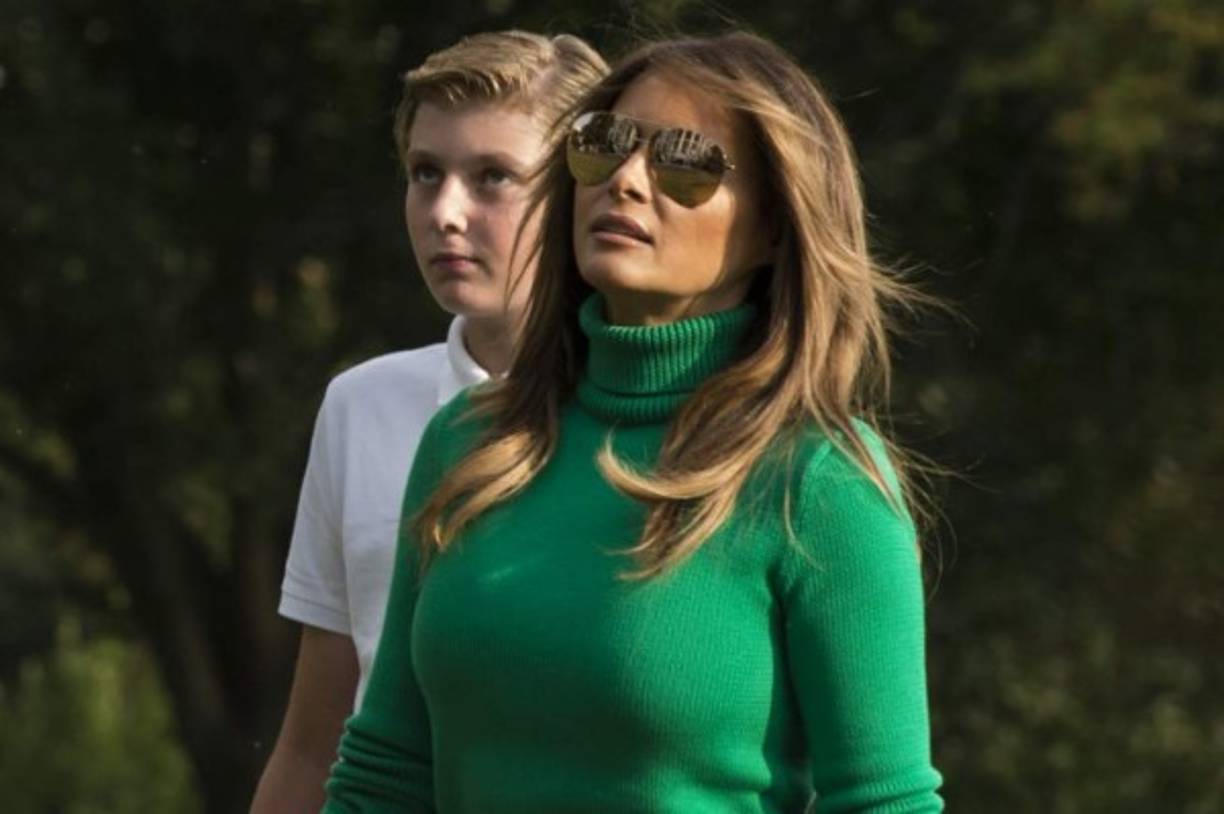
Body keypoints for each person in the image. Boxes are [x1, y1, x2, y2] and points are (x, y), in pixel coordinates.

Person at [324, 30, 944, 813]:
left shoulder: (818, 483)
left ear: (776, 224)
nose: (624, 179)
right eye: (603, 143)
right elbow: (385, 769)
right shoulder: (467, 444)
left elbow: (885, 803)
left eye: (684, 160)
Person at [249, 30, 607, 813]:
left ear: (588, 189)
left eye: (493, 178)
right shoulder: (360, 406)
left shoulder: (688, 417)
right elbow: (314, 744)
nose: (446, 212)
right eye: (425, 174)